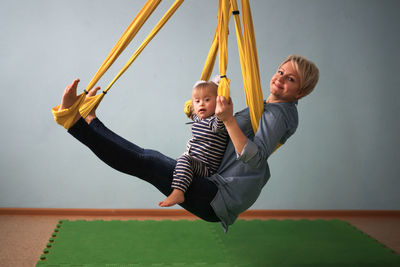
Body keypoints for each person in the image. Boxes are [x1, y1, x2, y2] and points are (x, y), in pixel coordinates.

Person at [56, 54, 319, 231]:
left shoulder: (279, 114)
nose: (281, 79)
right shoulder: (267, 106)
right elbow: (224, 130)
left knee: (147, 161)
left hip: (218, 196)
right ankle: (88, 120)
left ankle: (77, 122)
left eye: (291, 79)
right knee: (146, 160)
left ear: (302, 91)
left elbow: (256, 157)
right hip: (215, 185)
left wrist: (227, 120)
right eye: (281, 72)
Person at [158, 80, 228, 207]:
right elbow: (192, 113)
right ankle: (177, 184)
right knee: (174, 164)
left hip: (206, 168)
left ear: (217, 101)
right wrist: (190, 109)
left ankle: (178, 192)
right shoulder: (199, 118)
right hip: (195, 161)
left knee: (184, 160)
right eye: (197, 101)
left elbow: (222, 117)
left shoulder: (216, 122)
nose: (201, 104)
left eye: (207, 100)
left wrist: (223, 104)